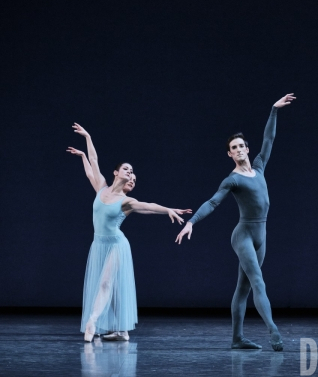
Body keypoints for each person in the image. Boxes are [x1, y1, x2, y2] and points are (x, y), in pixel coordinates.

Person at [175, 94, 296, 351]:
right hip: (242, 236)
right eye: (234, 148)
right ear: (229, 154)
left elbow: (269, 139)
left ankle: (237, 339)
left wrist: (274, 109)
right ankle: (273, 330)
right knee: (258, 281)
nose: (239, 150)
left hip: (261, 234)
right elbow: (213, 202)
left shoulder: (260, 166)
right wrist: (192, 222)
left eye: (242, 146)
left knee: (243, 289)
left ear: (247, 149)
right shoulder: (232, 180)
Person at [69, 123, 191, 342]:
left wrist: (168, 210)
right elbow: (93, 165)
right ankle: (122, 331)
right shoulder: (102, 188)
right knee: (111, 286)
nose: (131, 174)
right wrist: (87, 138)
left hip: (116, 245)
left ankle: (92, 322)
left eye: (133, 173)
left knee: (106, 283)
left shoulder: (127, 202)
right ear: (116, 172)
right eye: (127, 169)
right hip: (98, 244)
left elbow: (149, 206)